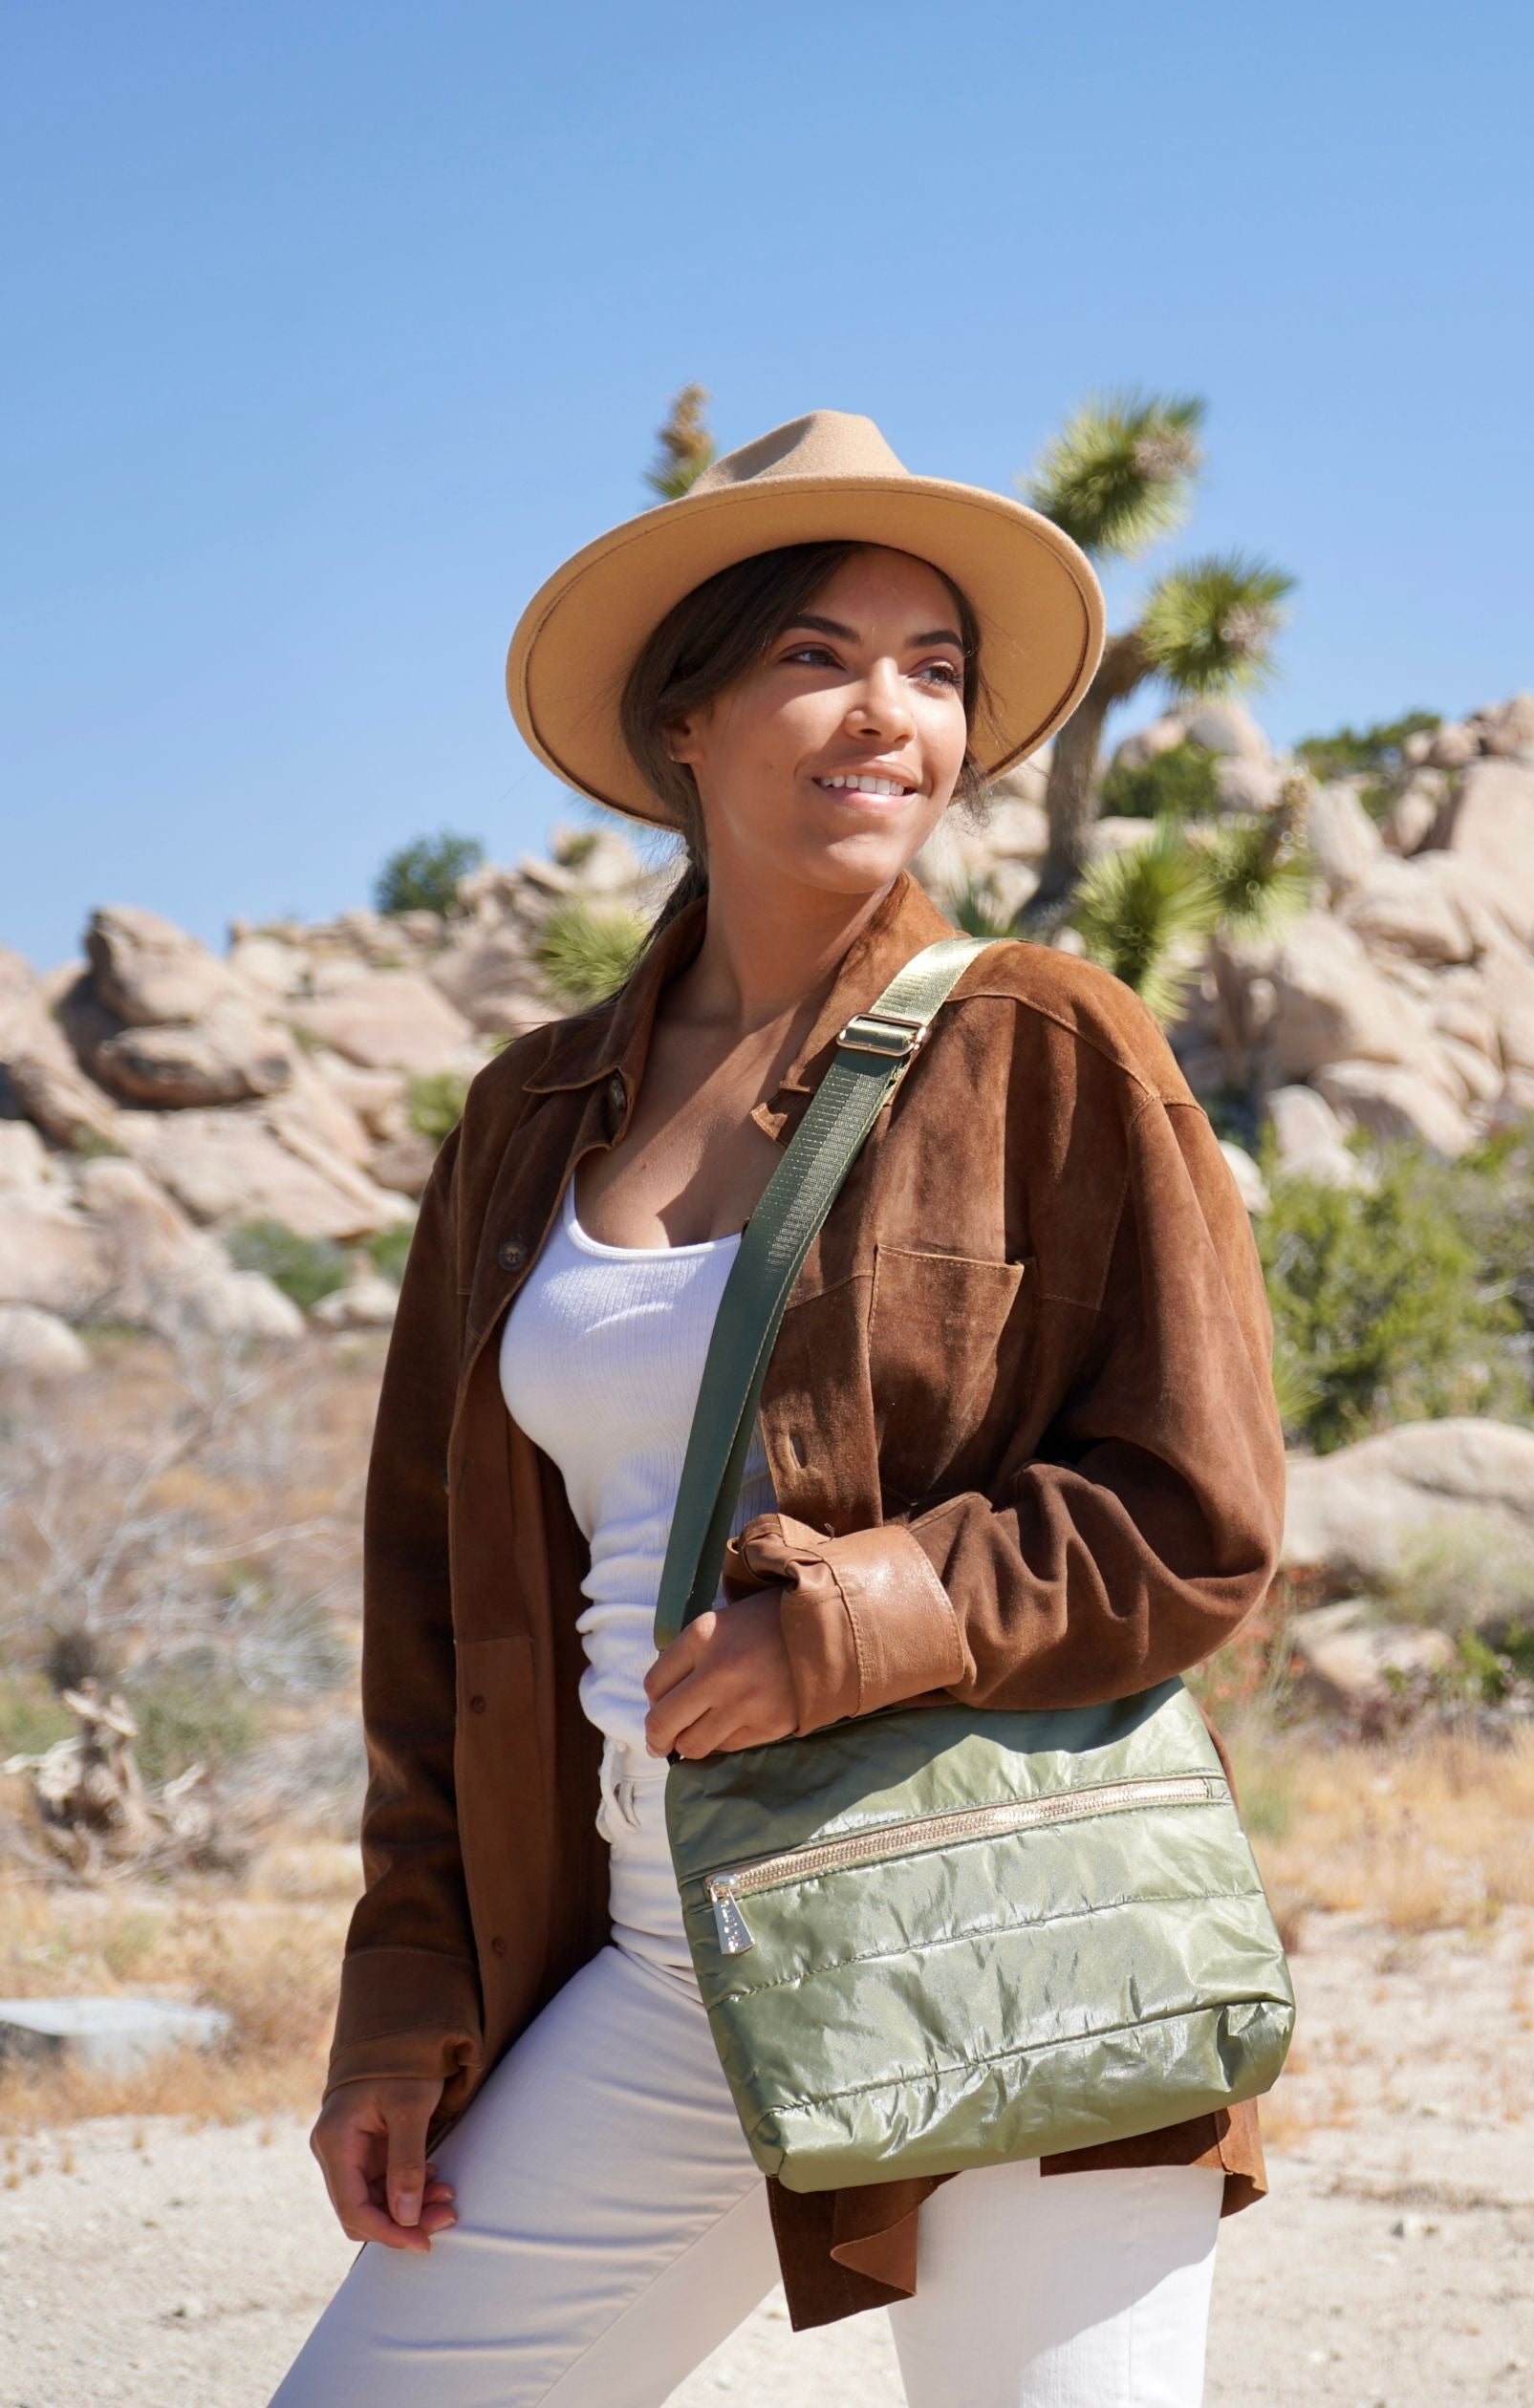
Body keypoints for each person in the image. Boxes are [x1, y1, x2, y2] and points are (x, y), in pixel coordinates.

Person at [272, 409, 1287, 2408]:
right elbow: (432, 1599)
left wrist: (840, 1628)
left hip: (1007, 1937)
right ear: (688, 719)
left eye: (932, 671)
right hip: (655, 1965)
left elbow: (1194, 1514)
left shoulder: (1046, 1042)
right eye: (818, 656)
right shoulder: (527, 1118)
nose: (885, 714)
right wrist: (405, 2002)